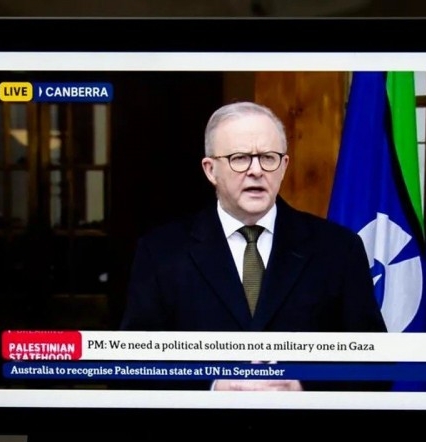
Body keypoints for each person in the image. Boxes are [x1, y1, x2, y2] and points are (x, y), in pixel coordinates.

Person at [120, 101, 387, 391]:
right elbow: (132, 367)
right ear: (210, 170)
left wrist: (302, 386)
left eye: (268, 158)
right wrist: (214, 386)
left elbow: (375, 365)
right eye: (240, 158)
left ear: (284, 166)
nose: (256, 170)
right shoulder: (161, 252)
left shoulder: (338, 249)